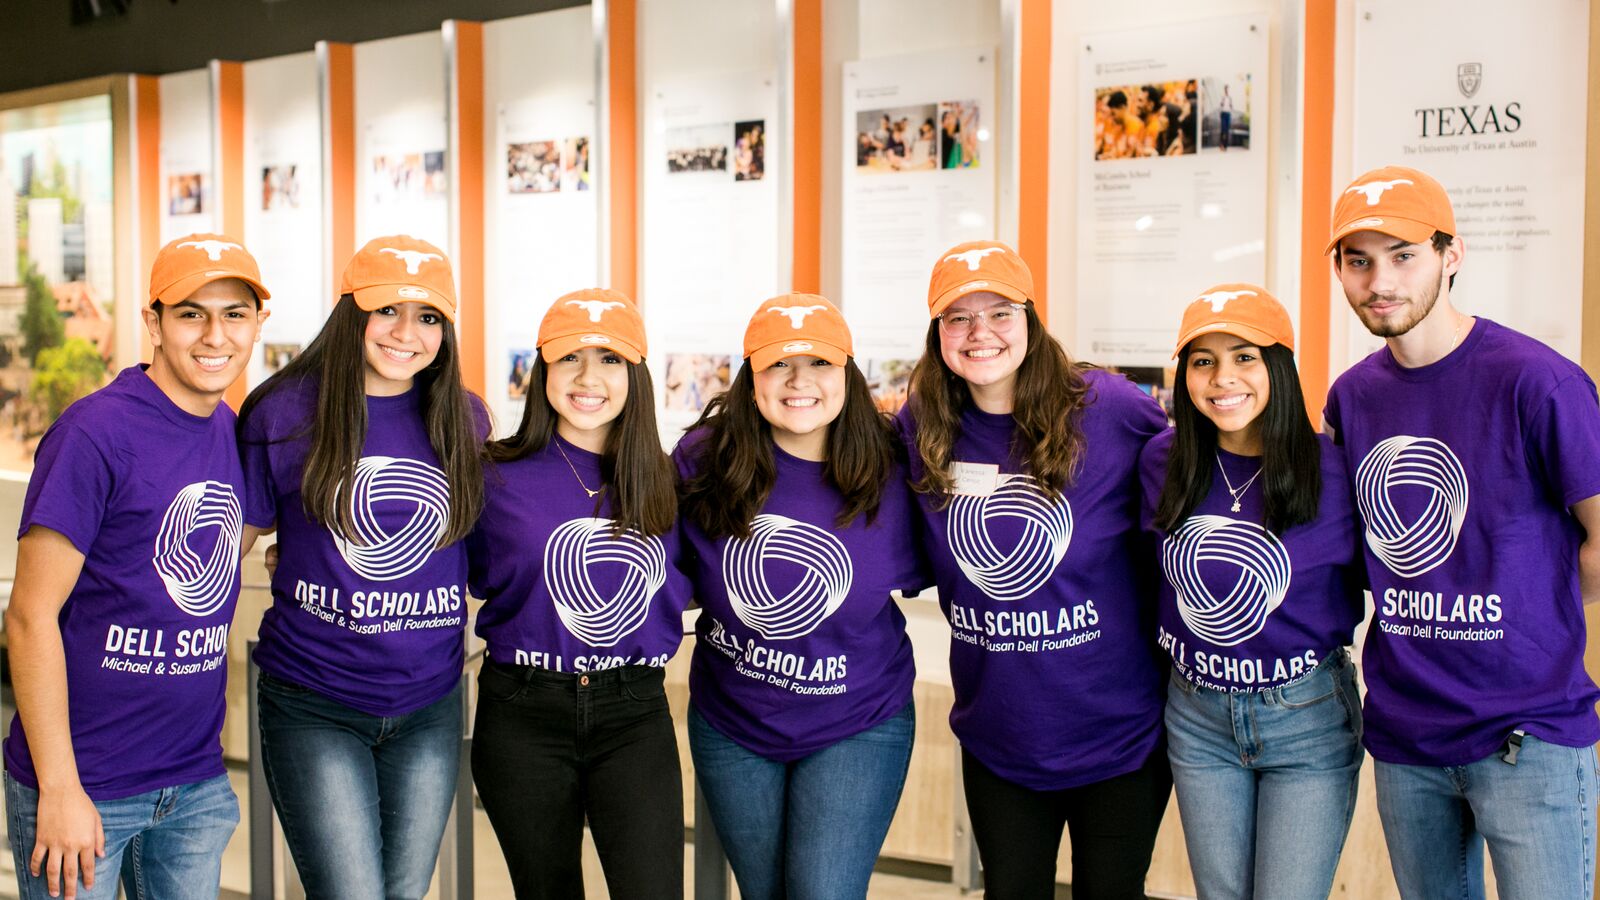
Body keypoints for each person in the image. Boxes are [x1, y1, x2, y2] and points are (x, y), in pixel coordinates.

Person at [1324, 165, 1600, 899]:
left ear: (1452, 255)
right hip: (1408, 735)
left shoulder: (1539, 382)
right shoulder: (1352, 398)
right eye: (1358, 260)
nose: (1380, 280)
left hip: (1528, 736)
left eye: (1403, 255)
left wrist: (1532, 600)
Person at [897, 241, 1171, 899]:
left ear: (1031, 318)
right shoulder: (922, 426)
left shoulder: (1108, 407)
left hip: (1121, 733)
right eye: (958, 317)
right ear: (938, 333)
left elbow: (1191, 476)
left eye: (999, 311)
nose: (980, 332)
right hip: (1001, 734)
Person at [4, 234, 270, 900]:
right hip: (84, 785)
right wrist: (60, 787)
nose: (216, 335)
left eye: (235, 313)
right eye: (191, 313)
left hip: (194, 786)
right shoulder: (94, 434)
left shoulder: (229, 431)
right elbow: (29, 616)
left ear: (258, 324)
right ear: (152, 323)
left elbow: (210, 553)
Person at [235, 236, 485, 900]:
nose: (408, 333)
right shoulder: (284, 412)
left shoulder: (465, 418)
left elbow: (486, 549)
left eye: (428, 317)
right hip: (315, 700)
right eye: (387, 311)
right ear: (351, 312)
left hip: (430, 703)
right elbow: (231, 544)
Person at [676, 294, 929, 899]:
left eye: (819, 364)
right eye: (777, 366)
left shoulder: (893, 465)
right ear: (750, 380)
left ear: (847, 373)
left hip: (858, 717)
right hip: (733, 720)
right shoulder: (704, 460)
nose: (799, 383)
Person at [1143, 285, 1364, 899]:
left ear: (1280, 367)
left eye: (1244, 356)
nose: (1223, 378)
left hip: (1307, 718)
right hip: (1196, 715)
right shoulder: (1162, 462)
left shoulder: (1335, 472)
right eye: (1203, 360)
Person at [468, 289, 689, 899]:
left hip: (632, 711)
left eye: (610, 359)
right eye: (570, 358)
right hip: (522, 712)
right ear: (543, 371)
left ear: (635, 375)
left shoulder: (671, 481)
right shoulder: (494, 472)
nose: (588, 377)